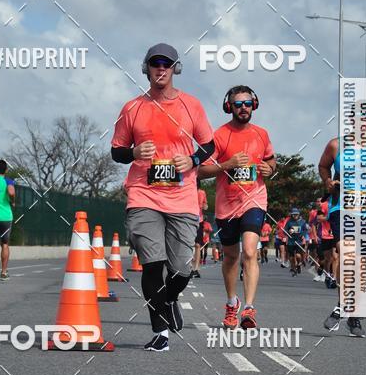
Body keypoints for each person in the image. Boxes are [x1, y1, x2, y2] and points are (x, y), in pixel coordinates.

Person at [111, 43, 215, 352]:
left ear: (174, 69)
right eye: (155, 63)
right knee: (152, 265)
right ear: (146, 68)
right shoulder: (133, 108)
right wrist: (133, 152)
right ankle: (160, 333)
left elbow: (208, 145)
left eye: (166, 64)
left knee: (182, 269)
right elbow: (116, 151)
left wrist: (193, 160)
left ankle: (169, 298)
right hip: (144, 193)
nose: (161, 68)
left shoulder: (191, 105)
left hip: (182, 197)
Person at [198, 85, 275, 329]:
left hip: (255, 199)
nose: (244, 108)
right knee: (231, 256)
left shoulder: (262, 134)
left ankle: (249, 309)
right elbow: (199, 170)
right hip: (227, 204)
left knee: (250, 251)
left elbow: (271, 160)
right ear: (229, 106)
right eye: (238, 104)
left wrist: (270, 169)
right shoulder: (219, 135)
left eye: (247, 103)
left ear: (255, 104)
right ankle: (232, 303)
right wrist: (227, 164)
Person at [318, 130, 366, 337]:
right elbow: (323, 166)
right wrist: (328, 182)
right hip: (341, 209)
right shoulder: (336, 145)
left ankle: (350, 313)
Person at [191, 181, 209, 277]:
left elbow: (206, 204)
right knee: (189, 244)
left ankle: (196, 268)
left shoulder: (202, 192)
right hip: (188, 219)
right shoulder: (188, 191)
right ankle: (188, 266)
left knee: (198, 245)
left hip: (199, 220)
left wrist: (205, 206)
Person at [286, 208, 308, 275]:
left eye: (296, 214)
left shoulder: (303, 221)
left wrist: (303, 235)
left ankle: (299, 264)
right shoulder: (289, 222)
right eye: (293, 214)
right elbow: (285, 230)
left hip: (299, 241)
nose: (295, 216)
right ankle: (294, 268)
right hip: (291, 241)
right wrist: (288, 232)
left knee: (298, 255)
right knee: (292, 257)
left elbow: (305, 230)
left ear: (298, 214)